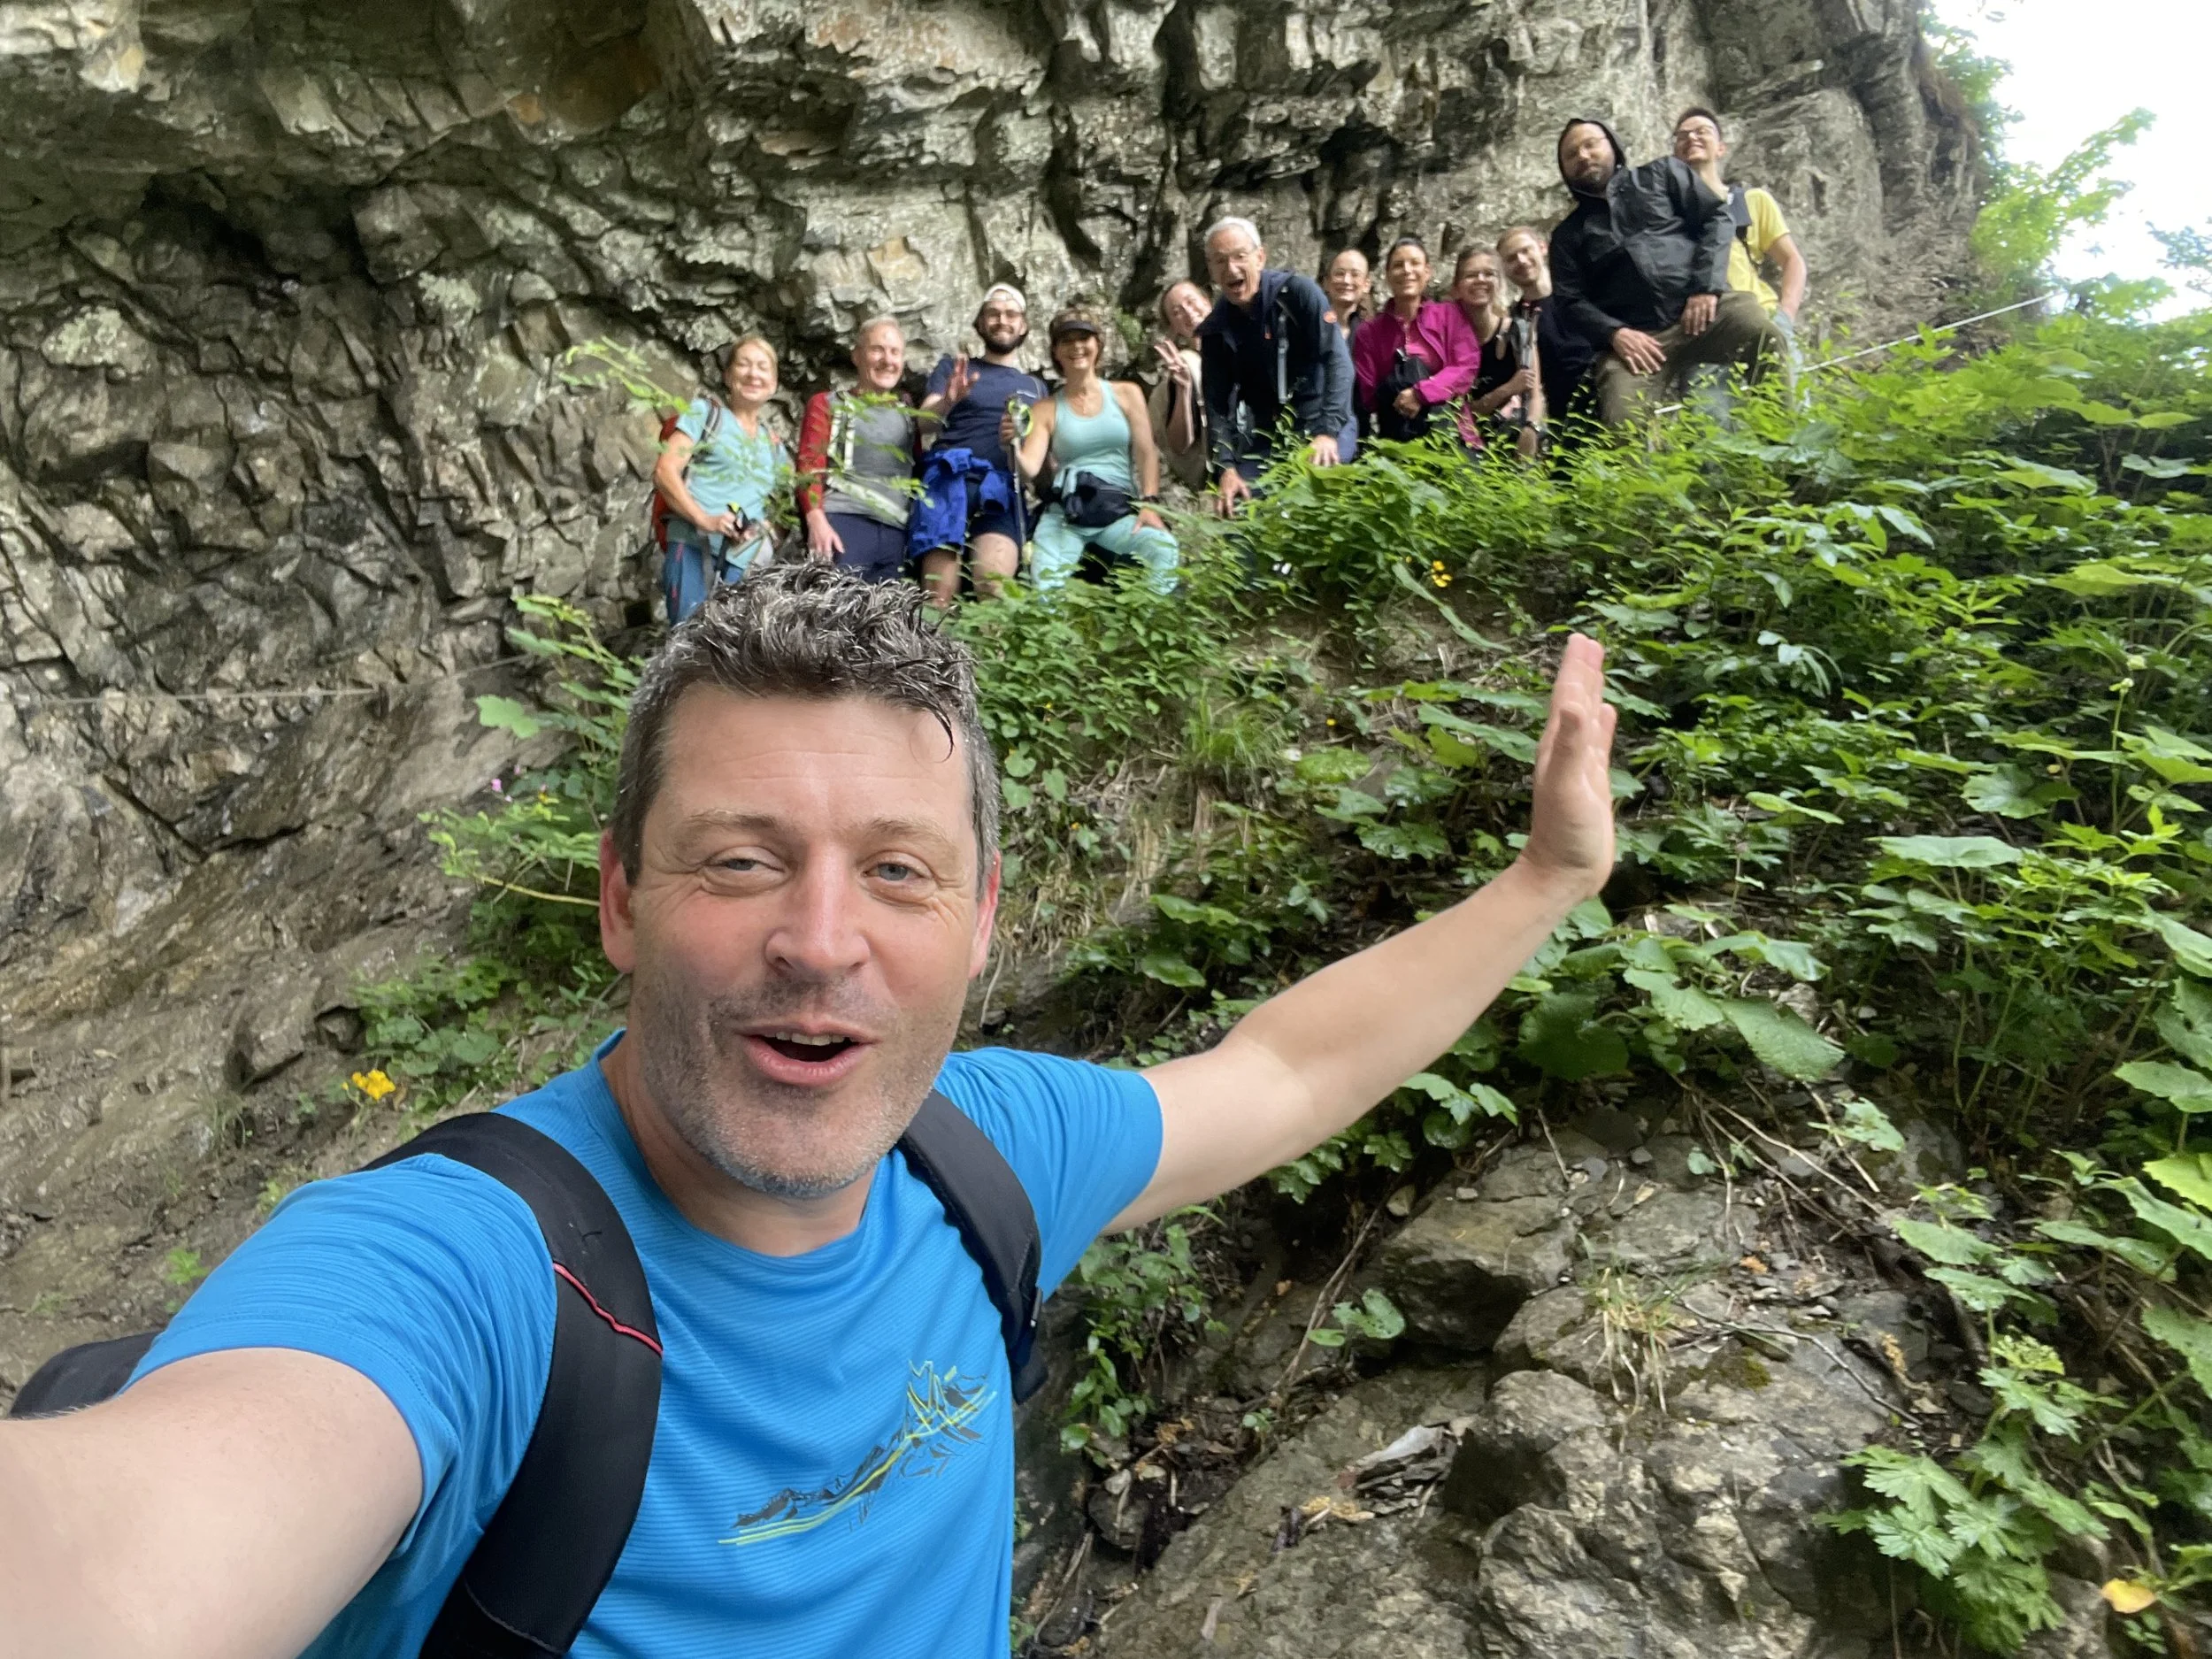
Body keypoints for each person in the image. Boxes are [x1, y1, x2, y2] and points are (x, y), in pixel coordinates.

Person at [0, 563, 1619, 1657]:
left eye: (897, 871)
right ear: (621, 900)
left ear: (982, 924)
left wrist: (1547, 880)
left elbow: (1282, 1072)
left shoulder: (986, 1153)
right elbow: (129, 1554)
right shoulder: (464, 1274)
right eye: (742, 859)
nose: (821, 941)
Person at [1548, 117, 1783, 426]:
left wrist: (1705, 288)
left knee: (1760, 330)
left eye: (1591, 144)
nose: (1583, 155)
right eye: (1571, 154)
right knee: (1621, 416)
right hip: (1638, 340)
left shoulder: (1662, 174)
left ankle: (1782, 439)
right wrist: (1614, 333)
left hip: (1704, 311)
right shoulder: (1566, 236)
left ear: (1613, 146)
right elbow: (1569, 300)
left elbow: (1716, 217)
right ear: (1564, 170)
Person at [1195, 215, 1354, 518]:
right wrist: (1225, 467)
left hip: (1322, 420)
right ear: (1211, 270)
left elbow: (1338, 361)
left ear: (1260, 257)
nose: (1231, 268)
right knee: (1238, 506)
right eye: (1220, 261)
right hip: (1268, 437)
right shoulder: (1216, 329)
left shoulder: (1298, 293)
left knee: (1315, 493)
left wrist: (1328, 432)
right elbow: (1216, 406)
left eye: (1240, 256)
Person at [1015, 307, 1178, 595]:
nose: (1076, 347)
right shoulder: (1045, 409)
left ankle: (1151, 618)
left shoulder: (1127, 393)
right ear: (1055, 351)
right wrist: (1013, 443)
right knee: (1046, 583)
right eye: (1067, 341)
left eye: (1084, 338)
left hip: (1116, 509)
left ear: (1098, 344)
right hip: (1068, 514)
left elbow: (1146, 452)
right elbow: (1029, 467)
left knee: (1163, 548)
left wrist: (1149, 503)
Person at [910, 285, 1049, 607]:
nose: (1002, 320)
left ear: (1023, 325)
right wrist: (948, 400)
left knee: (994, 588)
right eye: (993, 314)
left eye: (1011, 314)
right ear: (981, 323)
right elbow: (923, 422)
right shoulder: (954, 368)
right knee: (938, 595)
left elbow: (1037, 458)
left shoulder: (1036, 387)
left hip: (1002, 485)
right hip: (948, 476)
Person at [651, 335, 788, 622]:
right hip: (692, 544)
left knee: (731, 644)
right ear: (727, 375)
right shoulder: (704, 415)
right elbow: (665, 471)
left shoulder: (774, 446)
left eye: (763, 367)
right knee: (687, 638)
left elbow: (784, 510)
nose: (753, 374)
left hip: (744, 562)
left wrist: (763, 532)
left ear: (774, 383)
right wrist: (704, 519)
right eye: (744, 364)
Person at [1670, 108, 1808, 360]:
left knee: (1782, 386)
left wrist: (1785, 315)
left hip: (1760, 320)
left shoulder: (1750, 201)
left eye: (1702, 132)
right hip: (1701, 336)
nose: (1691, 138)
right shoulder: (1667, 213)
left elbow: (1792, 260)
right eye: (1682, 136)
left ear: (1721, 148)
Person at [795, 316, 919, 584]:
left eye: (895, 352)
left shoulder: (909, 414)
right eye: (877, 350)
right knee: (834, 605)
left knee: (886, 611)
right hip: (843, 524)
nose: (887, 360)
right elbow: (809, 466)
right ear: (857, 356)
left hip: (896, 534)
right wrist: (815, 520)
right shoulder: (828, 403)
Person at [1350, 236, 1481, 445]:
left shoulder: (1450, 316)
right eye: (1398, 265)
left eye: (1415, 263)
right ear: (1387, 275)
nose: (1407, 270)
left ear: (1427, 271)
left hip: (1452, 431)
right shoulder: (1370, 332)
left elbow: (1466, 367)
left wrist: (1421, 394)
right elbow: (1368, 394)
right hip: (1396, 436)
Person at [1497, 224, 1598, 435]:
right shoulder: (1518, 320)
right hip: (1565, 417)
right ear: (1504, 269)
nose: (1521, 261)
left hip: (1605, 391)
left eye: (1526, 250)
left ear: (1543, 248)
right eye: (1511, 258)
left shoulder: (1581, 289)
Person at [1452, 247, 1529, 439]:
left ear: (1500, 283)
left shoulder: (1517, 331)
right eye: (1471, 275)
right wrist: (1506, 390)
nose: (1480, 279)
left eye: (1489, 274)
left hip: (1509, 436)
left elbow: (1533, 395)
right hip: (1458, 438)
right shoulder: (1446, 337)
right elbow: (1455, 410)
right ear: (1456, 286)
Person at [1148, 280, 1212, 493]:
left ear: (1206, 301)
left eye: (1191, 302)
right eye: (1177, 312)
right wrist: (1183, 389)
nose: (1188, 312)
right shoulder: (1186, 365)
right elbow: (1179, 445)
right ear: (1173, 327)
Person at [1321, 248, 1372, 458]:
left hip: (1358, 431)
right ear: (1326, 282)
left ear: (1366, 284)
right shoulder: (1311, 328)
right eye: (1339, 274)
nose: (1346, 280)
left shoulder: (1372, 333)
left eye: (1355, 274)